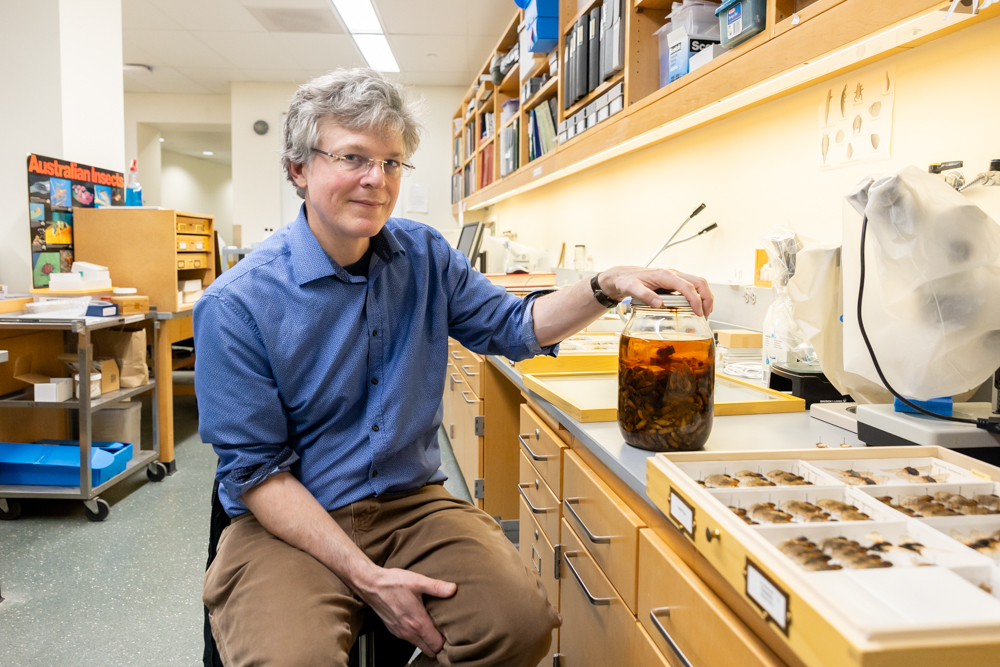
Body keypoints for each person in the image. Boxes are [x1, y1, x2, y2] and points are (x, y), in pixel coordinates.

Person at [194, 68, 713, 667]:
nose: (375, 180)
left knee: (518, 625)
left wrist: (606, 284)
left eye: (391, 163)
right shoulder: (235, 305)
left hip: (410, 504)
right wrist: (368, 577)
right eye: (353, 157)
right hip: (291, 519)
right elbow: (258, 473)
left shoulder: (423, 255)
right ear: (299, 169)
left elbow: (516, 327)